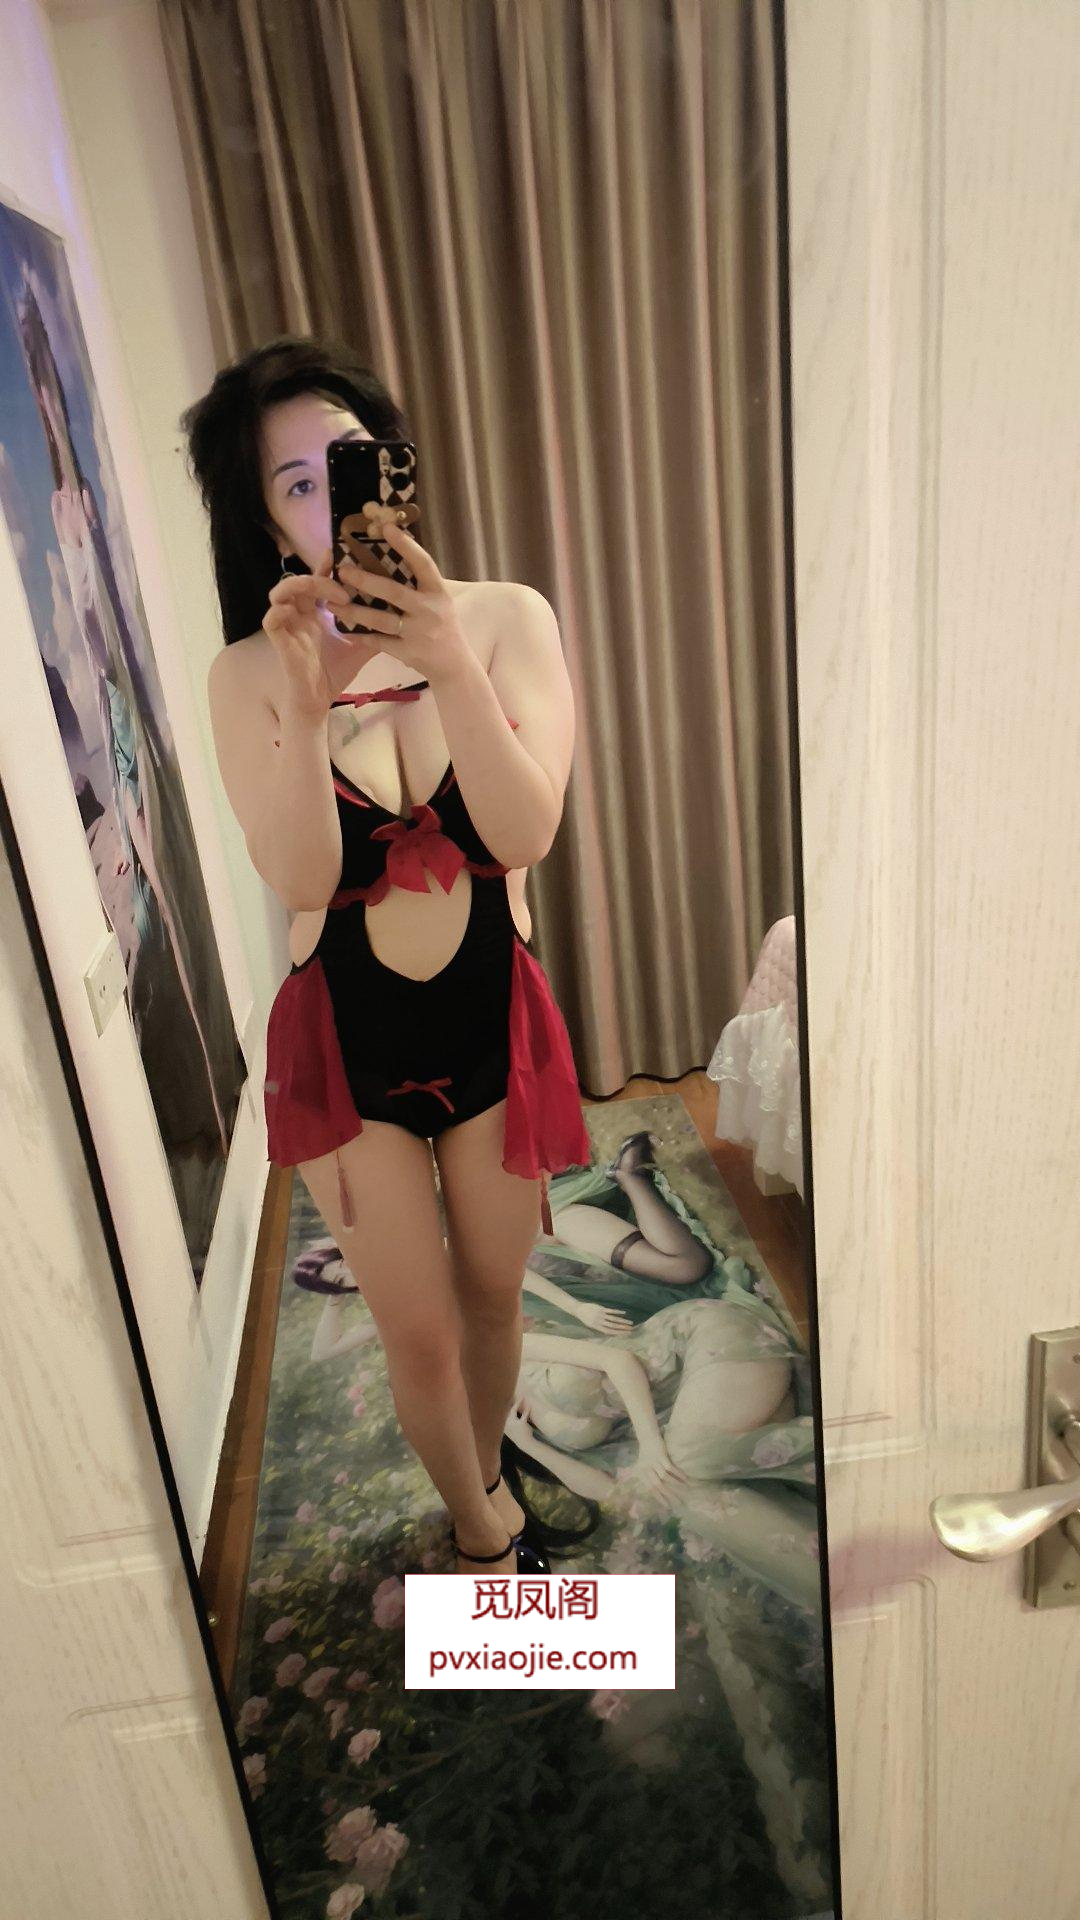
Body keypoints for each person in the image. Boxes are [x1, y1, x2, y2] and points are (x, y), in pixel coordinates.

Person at [182, 336, 592, 1576]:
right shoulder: (248, 677)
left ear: (397, 469)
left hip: (491, 1024)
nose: (333, 499)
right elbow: (305, 878)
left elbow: (523, 833)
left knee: (496, 1297)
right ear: (264, 520)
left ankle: (487, 1469)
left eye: (350, 462)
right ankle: (480, 1532)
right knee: (416, 1335)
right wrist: (310, 706)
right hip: (347, 1050)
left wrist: (448, 659)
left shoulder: (508, 620)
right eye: (296, 483)